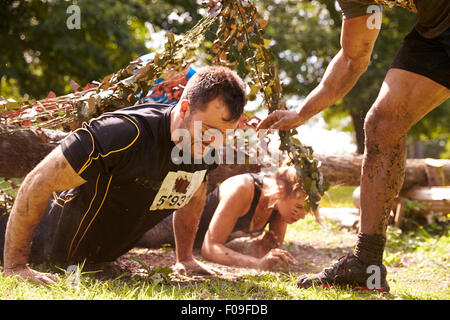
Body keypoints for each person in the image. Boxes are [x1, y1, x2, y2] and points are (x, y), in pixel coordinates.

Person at [257, 0, 449, 292]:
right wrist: (302, 113)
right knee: (383, 124)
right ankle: (366, 262)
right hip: (436, 32)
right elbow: (353, 58)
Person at [0, 66, 247, 284]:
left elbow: (193, 195)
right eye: (207, 129)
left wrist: (185, 258)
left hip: (94, 263)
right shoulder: (121, 134)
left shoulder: (204, 150)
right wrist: (16, 266)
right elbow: (36, 183)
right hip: (36, 247)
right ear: (184, 108)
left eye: (224, 134)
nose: (213, 142)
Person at [138, 166, 313, 270]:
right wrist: (256, 263)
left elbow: (271, 255)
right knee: (140, 236)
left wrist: (259, 250)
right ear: (281, 191)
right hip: (169, 225)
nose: (303, 215)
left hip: (196, 242)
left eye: (307, 209)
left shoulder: (281, 210)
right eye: (299, 207)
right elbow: (210, 248)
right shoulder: (243, 189)